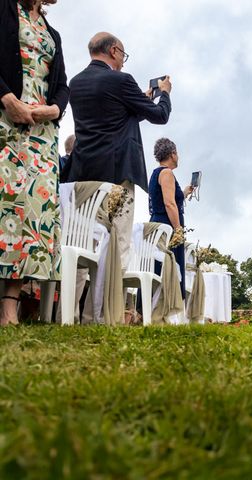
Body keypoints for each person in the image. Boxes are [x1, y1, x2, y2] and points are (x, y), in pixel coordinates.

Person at [65, 32, 172, 268]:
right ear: (114, 50)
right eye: (123, 54)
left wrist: (137, 101)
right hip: (117, 174)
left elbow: (110, 119)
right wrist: (164, 93)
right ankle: (111, 305)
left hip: (83, 174)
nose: (123, 61)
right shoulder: (121, 80)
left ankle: (70, 305)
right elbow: (160, 115)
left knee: (81, 245)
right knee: (119, 242)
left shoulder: (75, 83)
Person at [0, 0, 69, 325]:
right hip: (5, 120)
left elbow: (62, 85)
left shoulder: (51, 31)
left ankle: (10, 305)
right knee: (4, 208)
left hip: (42, 134)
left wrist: (54, 109)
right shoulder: (3, 9)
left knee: (27, 215)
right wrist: (7, 98)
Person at [148, 138, 193, 299]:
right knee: (169, 266)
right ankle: (167, 306)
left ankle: (152, 305)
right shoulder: (166, 173)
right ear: (172, 154)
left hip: (158, 223)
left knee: (158, 266)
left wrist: (185, 193)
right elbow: (169, 204)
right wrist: (178, 228)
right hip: (167, 226)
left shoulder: (156, 173)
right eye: (177, 153)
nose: (178, 157)